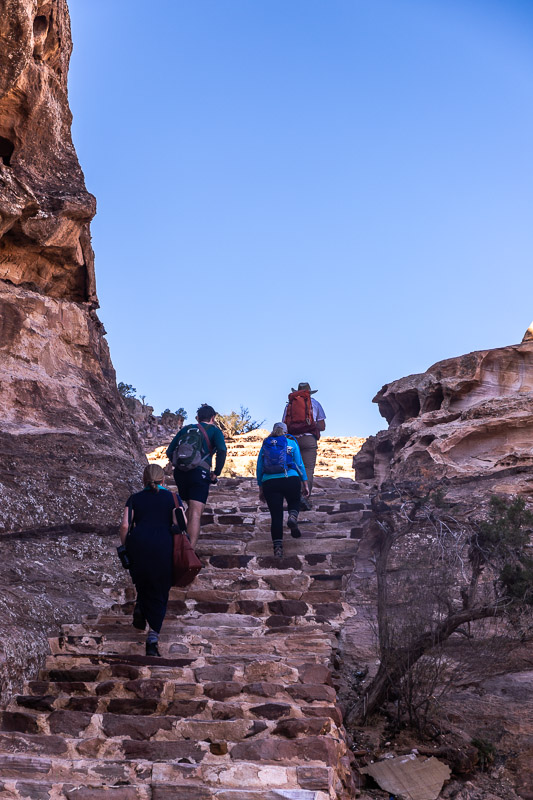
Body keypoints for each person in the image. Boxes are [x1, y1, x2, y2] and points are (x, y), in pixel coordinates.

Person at [118, 463, 184, 657]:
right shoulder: (173, 497)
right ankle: (152, 640)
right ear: (163, 480)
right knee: (160, 590)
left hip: (139, 545)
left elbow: (124, 526)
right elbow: (182, 524)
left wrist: (125, 547)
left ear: (143, 480)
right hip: (165, 545)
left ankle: (141, 605)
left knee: (143, 580)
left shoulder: (135, 498)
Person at [166, 404, 227, 548]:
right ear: (213, 418)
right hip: (200, 473)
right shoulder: (214, 431)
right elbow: (222, 450)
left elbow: (169, 451)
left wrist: (180, 464)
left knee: (189, 506)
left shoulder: (186, 429)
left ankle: (177, 528)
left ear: (198, 418)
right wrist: (216, 472)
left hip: (180, 473)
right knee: (195, 512)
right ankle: (189, 552)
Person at [256, 422, 309, 558]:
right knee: (294, 500)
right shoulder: (291, 443)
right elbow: (299, 464)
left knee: (276, 516)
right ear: (286, 431)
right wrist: (305, 483)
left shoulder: (266, 444)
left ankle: (278, 548)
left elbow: (260, 466)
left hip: (269, 482)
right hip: (290, 478)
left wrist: (260, 487)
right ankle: (292, 516)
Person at [282, 382, 326, 509]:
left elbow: (284, 426)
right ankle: (305, 497)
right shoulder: (315, 404)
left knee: (293, 468)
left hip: (292, 440)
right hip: (309, 440)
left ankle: (293, 498)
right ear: (309, 392)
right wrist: (311, 425)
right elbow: (322, 426)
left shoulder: (289, 405)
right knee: (308, 469)